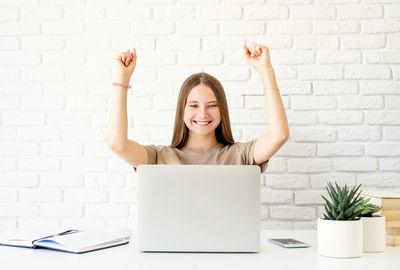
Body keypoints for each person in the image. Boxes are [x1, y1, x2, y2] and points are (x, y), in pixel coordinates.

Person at [107, 43, 289, 173]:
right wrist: (122, 81)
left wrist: (266, 71)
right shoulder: (158, 157)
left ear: (222, 111)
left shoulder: (240, 155)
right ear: (182, 111)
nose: (203, 114)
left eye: (212, 105)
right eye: (193, 105)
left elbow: (279, 136)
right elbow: (117, 145)